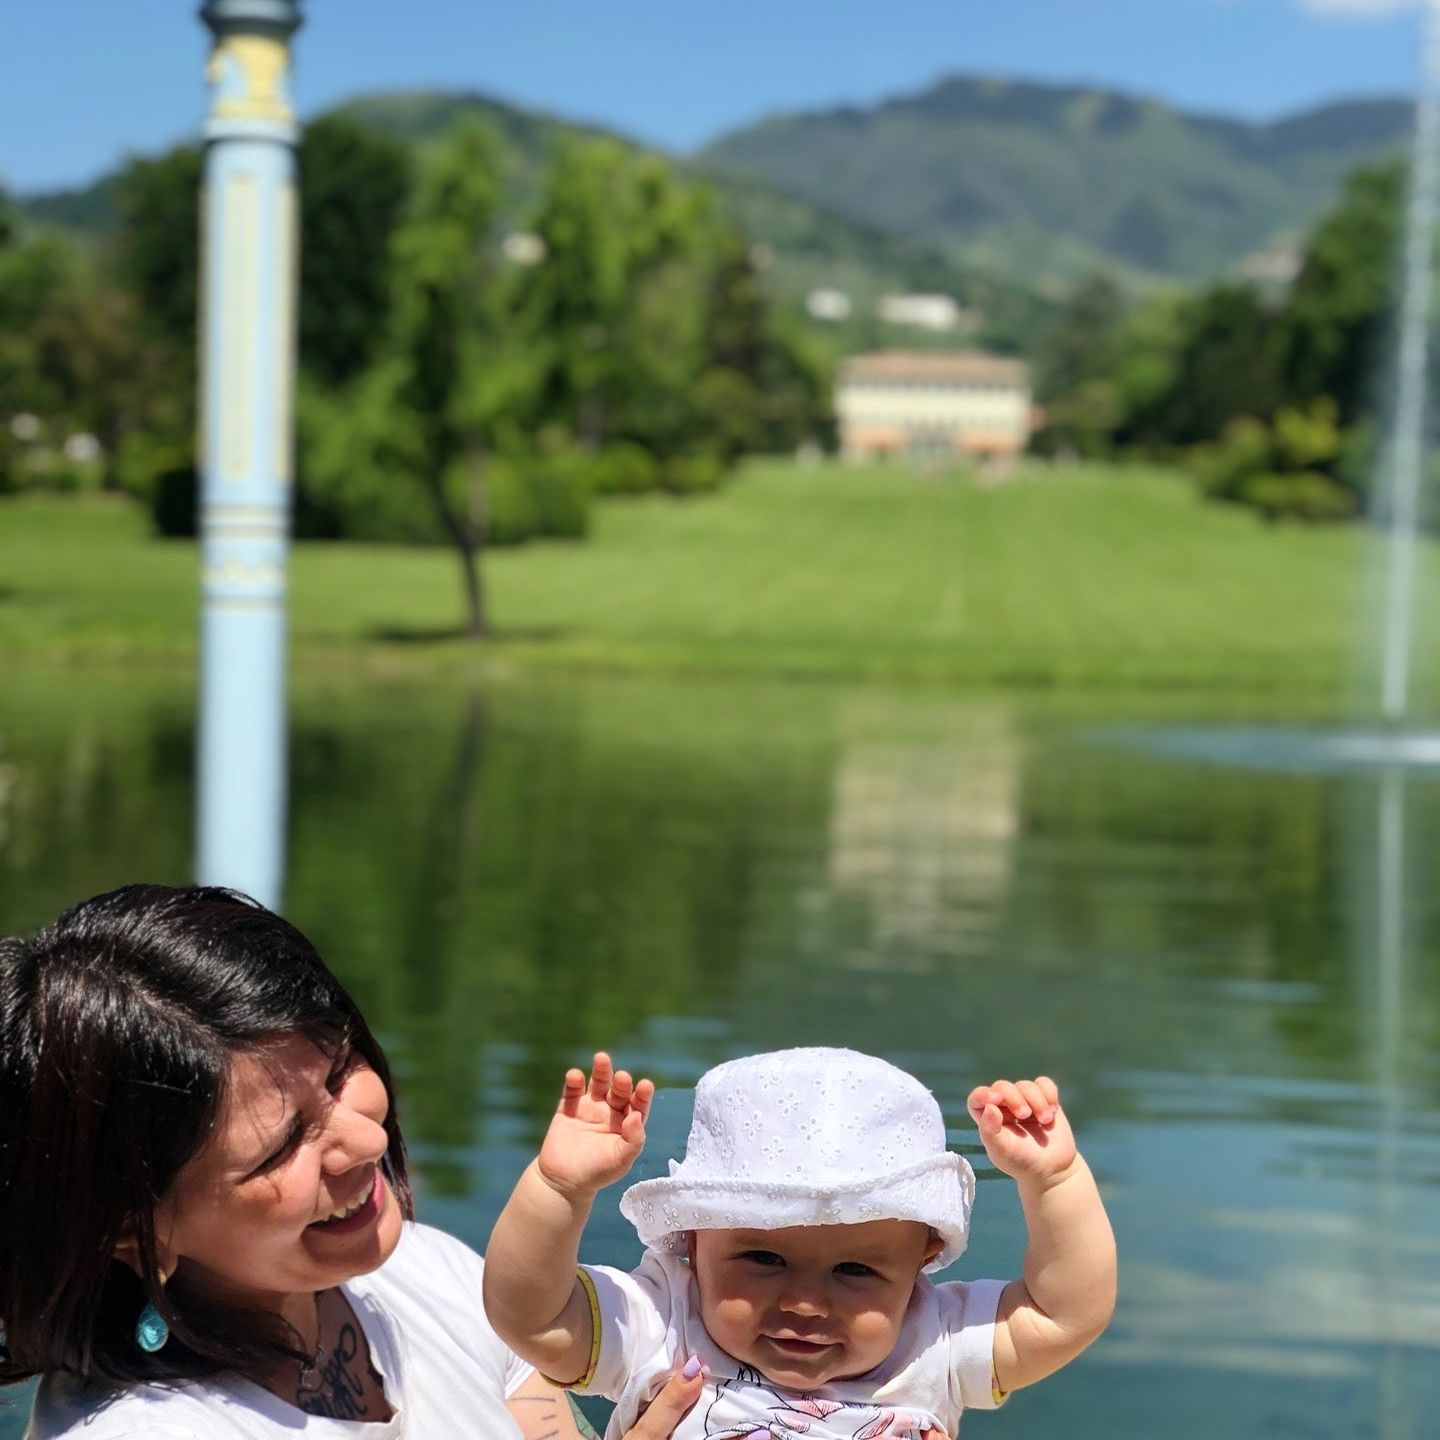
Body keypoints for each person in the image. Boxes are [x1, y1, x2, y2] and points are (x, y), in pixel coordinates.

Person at [0, 885, 704, 1440]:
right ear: (124, 1227)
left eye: (340, 1072)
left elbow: (524, 1387)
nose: (365, 1142)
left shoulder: (413, 1272)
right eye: (283, 1145)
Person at [483, 1048, 1117, 1440]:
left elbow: (1064, 1315)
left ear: (921, 1262)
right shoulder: (666, 1320)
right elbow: (530, 1316)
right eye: (763, 1259)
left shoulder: (932, 1341)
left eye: (857, 1271)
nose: (808, 1302)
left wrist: (1054, 1181)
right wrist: (558, 1191)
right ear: (693, 1241)